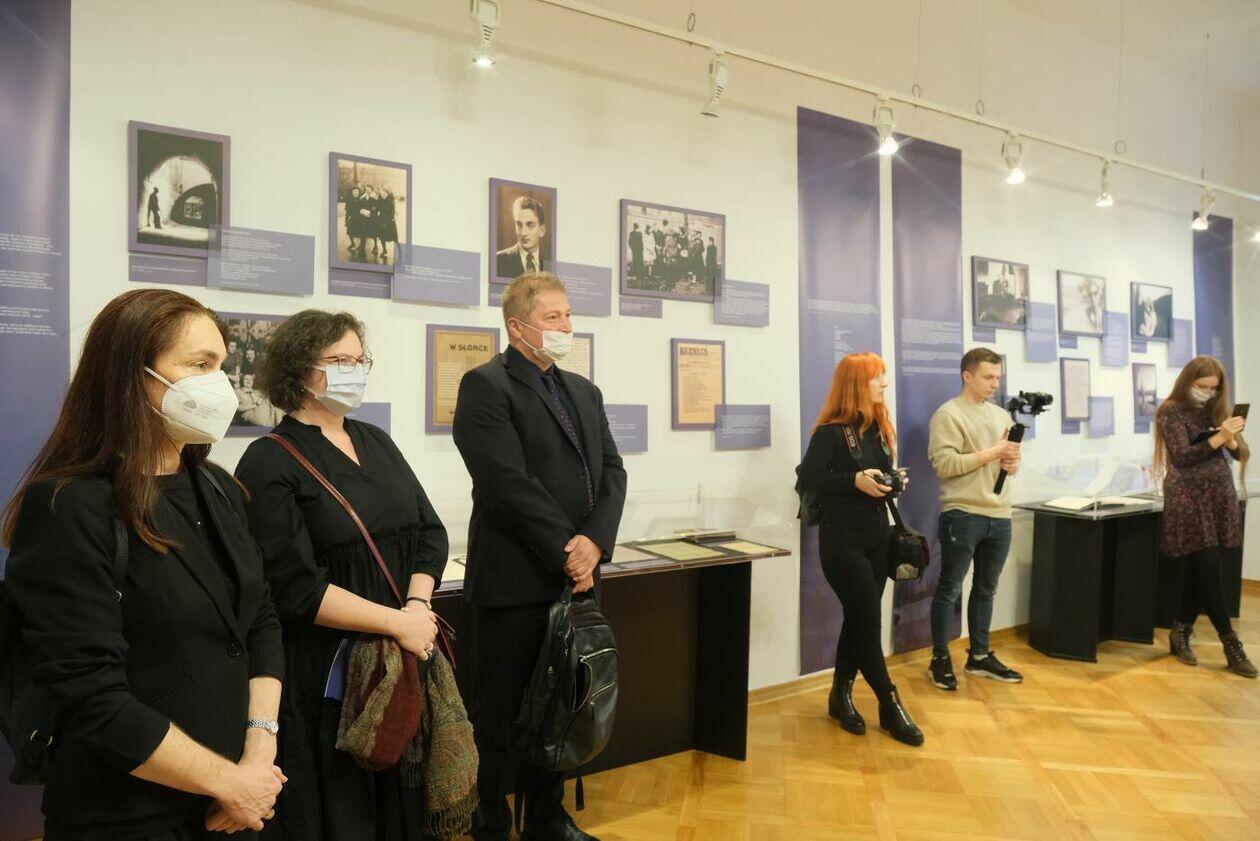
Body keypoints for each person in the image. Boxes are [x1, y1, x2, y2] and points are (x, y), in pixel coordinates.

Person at [2, 288, 285, 840]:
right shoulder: (70, 506)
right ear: (133, 376)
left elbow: (261, 619)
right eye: (199, 365)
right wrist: (227, 781)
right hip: (128, 813)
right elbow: (90, 694)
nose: (220, 385)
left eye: (221, 366)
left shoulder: (219, 488)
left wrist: (257, 754)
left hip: (236, 803)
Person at [234, 309, 472, 838]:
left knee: (403, 808)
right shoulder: (268, 461)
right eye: (339, 360)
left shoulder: (376, 440)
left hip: (399, 660)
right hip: (328, 676)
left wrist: (416, 607)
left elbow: (430, 533)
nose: (354, 371)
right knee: (345, 813)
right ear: (299, 369)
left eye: (359, 360)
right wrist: (399, 623)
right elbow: (295, 588)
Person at [452, 273, 627, 841]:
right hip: (514, 581)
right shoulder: (486, 386)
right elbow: (505, 482)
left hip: (575, 579)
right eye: (553, 317)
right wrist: (566, 549)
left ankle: (547, 820)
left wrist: (594, 542)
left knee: (561, 708)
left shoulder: (584, 391)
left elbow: (612, 472)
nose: (566, 326)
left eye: (568, 315)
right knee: (501, 714)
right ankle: (490, 822)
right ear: (517, 326)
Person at [795, 352, 923, 747]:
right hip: (842, 542)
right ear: (856, 384)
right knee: (868, 624)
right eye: (876, 377)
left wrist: (892, 481)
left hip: (878, 538)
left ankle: (840, 696)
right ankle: (889, 702)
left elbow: (879, 477)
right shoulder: (830, 433)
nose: (884, 383)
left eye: (883, 376)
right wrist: (853, 480)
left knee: (858, 620)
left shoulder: (879, 428)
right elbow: (807, 479)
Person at [926, 348, 1024, 690]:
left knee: (986, 589)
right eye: (988, 377)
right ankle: (939, 658)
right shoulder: (948, 415)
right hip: (963, 513)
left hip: (1000, 513)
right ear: (967, 376)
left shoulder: (1001, 415)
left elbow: (1010, 466)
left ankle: (979, 655)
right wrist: (994, 452)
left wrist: (1010, 462)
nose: (995, 384)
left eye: (998, 377)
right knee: (950, 588)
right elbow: (945, 465)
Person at [1155, 355, 1255, 678]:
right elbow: (1182, 456)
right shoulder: (1170, 411)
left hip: (1218, 496)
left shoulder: (1216, 410)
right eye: (1202, 386)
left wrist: (1232, 437)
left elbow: (1241, 453)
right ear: (1188, 381)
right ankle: (1231, 644)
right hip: (1189, 499)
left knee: (1205, 572)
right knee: (1209, 569)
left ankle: (1181, 630)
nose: (1208, 393)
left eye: (1214, 388)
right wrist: (1218, 438)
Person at [496, 196, 548, 280]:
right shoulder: (498, 261)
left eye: (530, 225)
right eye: (519, 225)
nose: (523, 233)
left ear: (542, 230)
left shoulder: (550, 263)